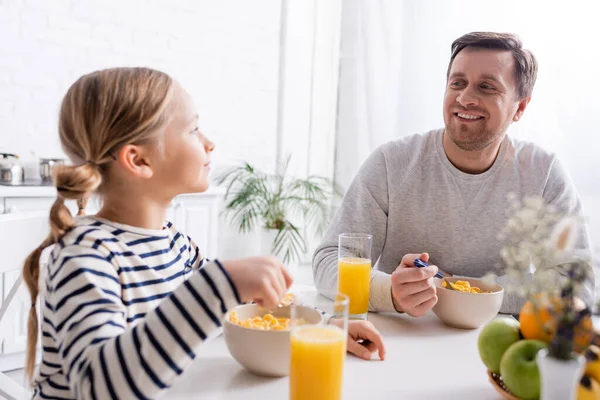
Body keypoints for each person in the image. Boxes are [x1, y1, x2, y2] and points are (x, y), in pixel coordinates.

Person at [22, 67, 386, 400]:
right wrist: (216, 284)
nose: (209, 142)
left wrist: (322, 328)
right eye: (193, 129)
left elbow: (249, 313)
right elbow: (101, 385)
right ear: (139, 160)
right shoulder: (84, 257)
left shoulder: (176, 245)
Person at [313, 31, 594, 317]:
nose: (465, 98)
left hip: (500, 346)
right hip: (401, 339)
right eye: (457, 83)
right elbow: (329, 260)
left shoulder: (543, 173)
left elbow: (577, 285)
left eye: (486, 87)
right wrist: (389, 292)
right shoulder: (391, 163)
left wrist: (460, 289)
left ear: (519, 107)